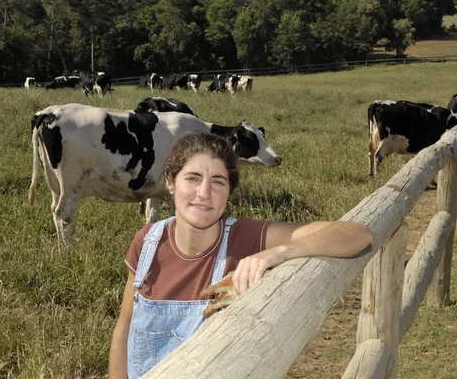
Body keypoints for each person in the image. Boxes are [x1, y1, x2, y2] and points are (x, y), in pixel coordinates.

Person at [108, 132, 373, 379]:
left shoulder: (243, 238)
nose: (204, 193)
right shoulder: (148, 241)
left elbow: (358, 234)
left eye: (218, 182)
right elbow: (125, 327)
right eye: (192, 178)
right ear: (169, 182)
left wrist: (278, 253)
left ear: (230, 191)